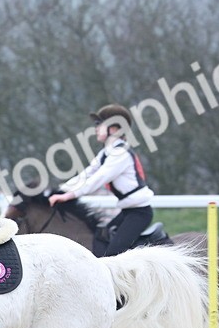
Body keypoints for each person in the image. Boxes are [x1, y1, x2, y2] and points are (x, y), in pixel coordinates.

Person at [48, 105, 155, 257]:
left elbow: (96, 180)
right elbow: (85, 175)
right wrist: (60, 190)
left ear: (114, 129)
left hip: (139, 213)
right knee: (100, 241)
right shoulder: (106, 153)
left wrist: (68, 196)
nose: (96, 129)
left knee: (111, 255)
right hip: (127, 212)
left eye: (99, 124)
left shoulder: (120, 154)